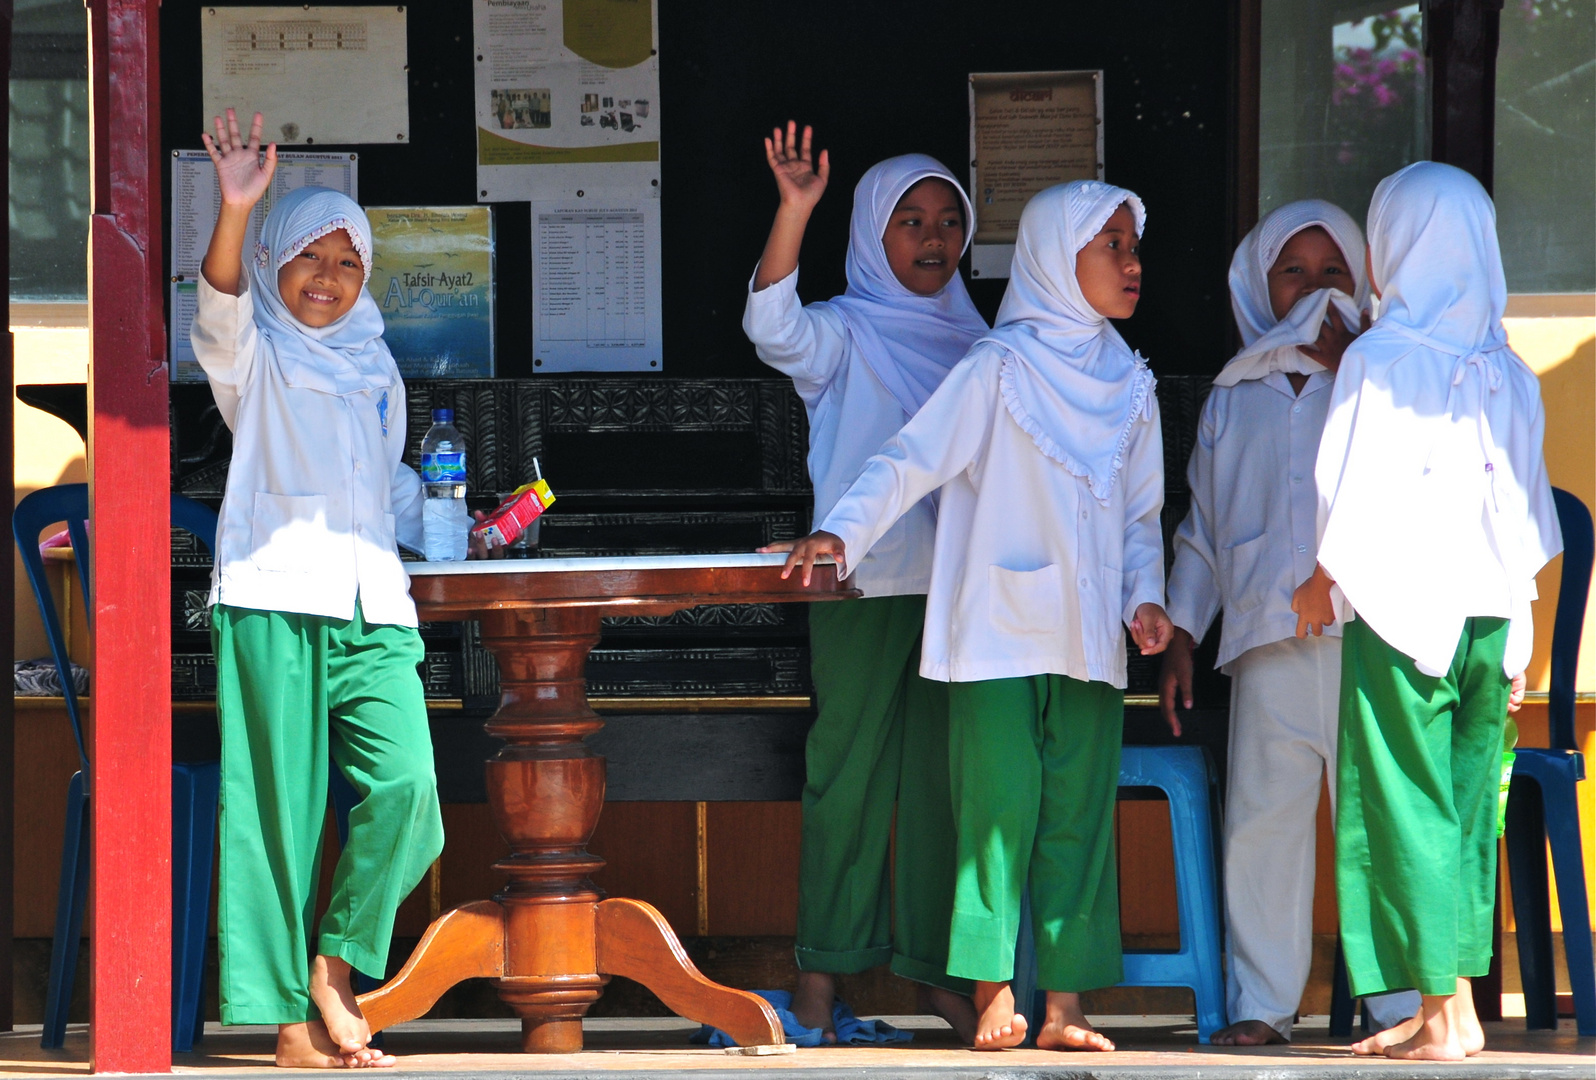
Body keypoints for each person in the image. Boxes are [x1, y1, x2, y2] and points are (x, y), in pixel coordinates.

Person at [781, 180, 1174, 1052]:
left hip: (1089, 638)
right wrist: (840, 533)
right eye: (1109, 244)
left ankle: (1066, 1004)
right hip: (996, 635)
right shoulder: (996, 366)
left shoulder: (1131, 382)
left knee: (1077, 814)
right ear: (1051, 258)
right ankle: (994, 992)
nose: (1131, 261)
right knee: (993, 817)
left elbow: (1141, 518)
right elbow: (907, 461)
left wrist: (1146, 600)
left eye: (1131, 243)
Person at [191, 109, 472, 1069]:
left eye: (348, 262)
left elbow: (388, 482)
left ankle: (337, 962)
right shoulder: (256, 357)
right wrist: (236, 209)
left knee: (410, 791)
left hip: (373, 609)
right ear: (275, 265)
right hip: (274, 597)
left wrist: (456, 520)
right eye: (308, 257)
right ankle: (283, 1022)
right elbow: (219, 311)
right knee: (278, 812)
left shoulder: (376, 363)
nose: (328, 277)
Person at [1292, 161, 1560, 1061]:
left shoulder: (1378, 357)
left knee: (1402, 807)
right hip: (1491, 617)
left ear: (1388, 249)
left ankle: (1440, 1012)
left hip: (1406, 618)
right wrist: (1522, 638)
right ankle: (1459, 1009)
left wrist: (1319, 581)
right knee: (1458, 810)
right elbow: (1528, 513)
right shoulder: (1511, 370)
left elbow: (1348, 488)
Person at [744, 122, 987, 1042]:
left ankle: (936, 977)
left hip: (960, 595)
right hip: (858, 586)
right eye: (909, 220)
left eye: (947, 221)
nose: (932, 238)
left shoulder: (986, 341)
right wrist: (794, 209)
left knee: (942, 788)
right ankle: (822, 982)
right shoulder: (844, 332)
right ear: (871, 236)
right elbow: (771, 325)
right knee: (844, 782)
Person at [1160, 199, 1420, 1044]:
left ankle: (1404, 1008)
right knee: (1262, 825)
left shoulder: (1386, 385)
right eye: (1294, 273)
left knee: (1376, 819)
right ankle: (1264, 1005)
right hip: (1266, 645)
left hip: (1368, 641)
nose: (1314, 289)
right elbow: (1202, 531)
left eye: (1334, 271)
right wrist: (1184, 633)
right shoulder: (1235, 397)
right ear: (1257, 286)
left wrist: (1359, 372)